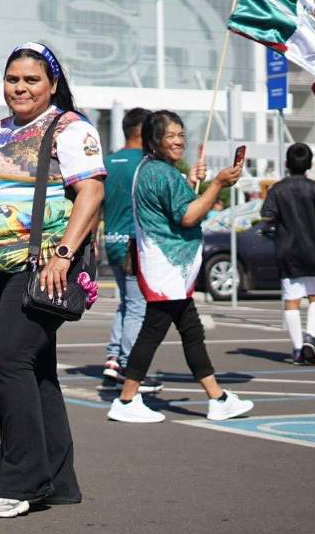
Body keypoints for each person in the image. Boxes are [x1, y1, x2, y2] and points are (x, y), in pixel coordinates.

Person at [0, 42, 102, 518]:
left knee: (8, 357)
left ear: (52, 85)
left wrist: (63, 255)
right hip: (2, 268)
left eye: (31, 80)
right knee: (37, 370)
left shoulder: (69, 127)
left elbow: (91, 191)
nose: (20, 87)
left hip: (44, 265)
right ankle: (59, 482)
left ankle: (22, 482)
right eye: (12, 79)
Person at [106, 110, 254, 424]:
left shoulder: (152, 169)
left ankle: (218, 398)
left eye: (181, 135)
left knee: (190, 331)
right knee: (155, 332)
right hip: (167, 267)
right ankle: (126, 399)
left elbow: (173, 206)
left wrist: (191, 182)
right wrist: (217, 183)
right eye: (170, 136)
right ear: (153, 140)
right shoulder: (161, 173)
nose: (178, 141)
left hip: (166, 267)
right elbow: (187, 216)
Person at [100, 107, 161, 394]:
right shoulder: (147, 163)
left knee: (127, 303)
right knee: (138, 307)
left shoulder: (107, 163)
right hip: (134, 245)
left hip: (110, 241)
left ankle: (114, 358)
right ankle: (129, 365)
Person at [261, 143, 315, 365]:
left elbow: (266, 217)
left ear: (286, 164)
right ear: (310, 165)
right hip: (313, 249)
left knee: (291, 301)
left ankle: (297, 349)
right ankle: (311, 337)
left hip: (287, 249)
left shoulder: (277, 189)